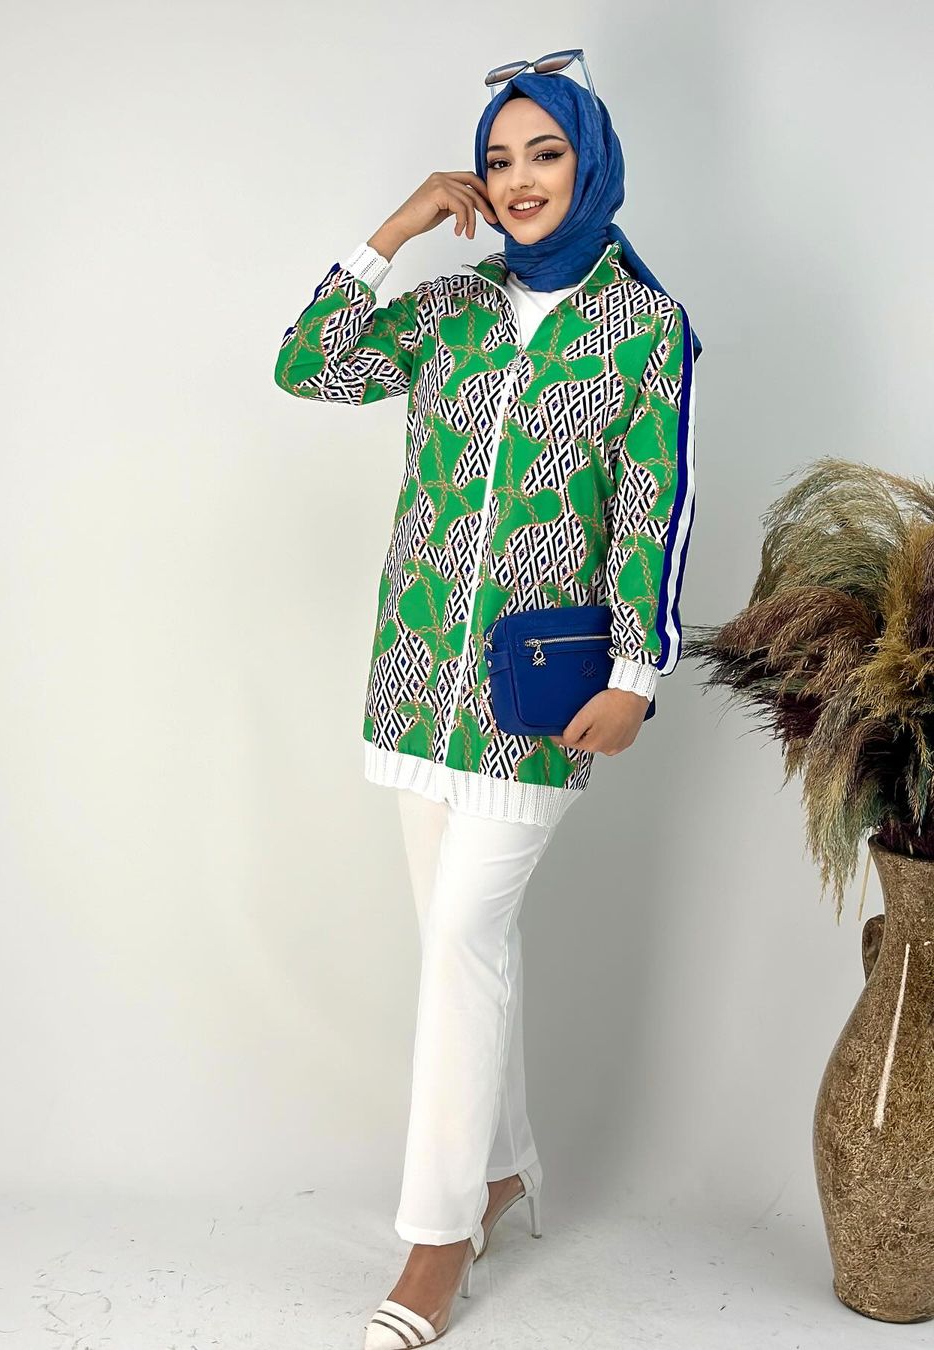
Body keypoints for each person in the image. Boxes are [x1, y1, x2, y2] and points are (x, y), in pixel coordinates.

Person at [274, 49, 698, 1349]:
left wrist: (638, 673)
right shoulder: (451, 306)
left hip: (542, 690)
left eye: (545, 153)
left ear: (590, 162)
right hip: (417, 677)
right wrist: (394, 230)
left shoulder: (643, 326)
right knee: (462, 945)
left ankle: (436, 1236)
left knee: (464, 935)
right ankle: (504, 1166)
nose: (518, 180)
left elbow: (655, 506)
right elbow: (306, 366)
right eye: (499, 158)